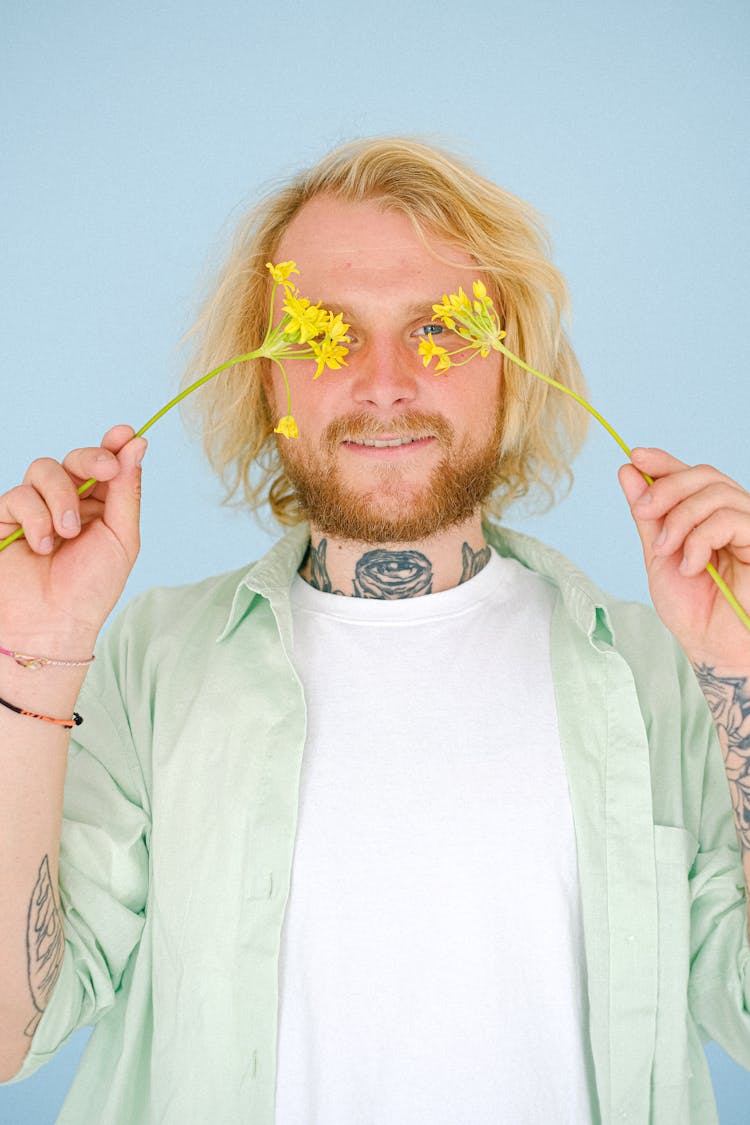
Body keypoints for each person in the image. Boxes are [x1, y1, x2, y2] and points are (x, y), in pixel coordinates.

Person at [1, 137, 749, 1125]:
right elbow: (14, 1034)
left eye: (440, 328)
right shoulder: (147, 663)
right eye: (322, 335)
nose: (385, 382)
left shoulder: (665, 675)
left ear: (511, 371)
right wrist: (35, 662)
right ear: (266, 382)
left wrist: (742, 672)